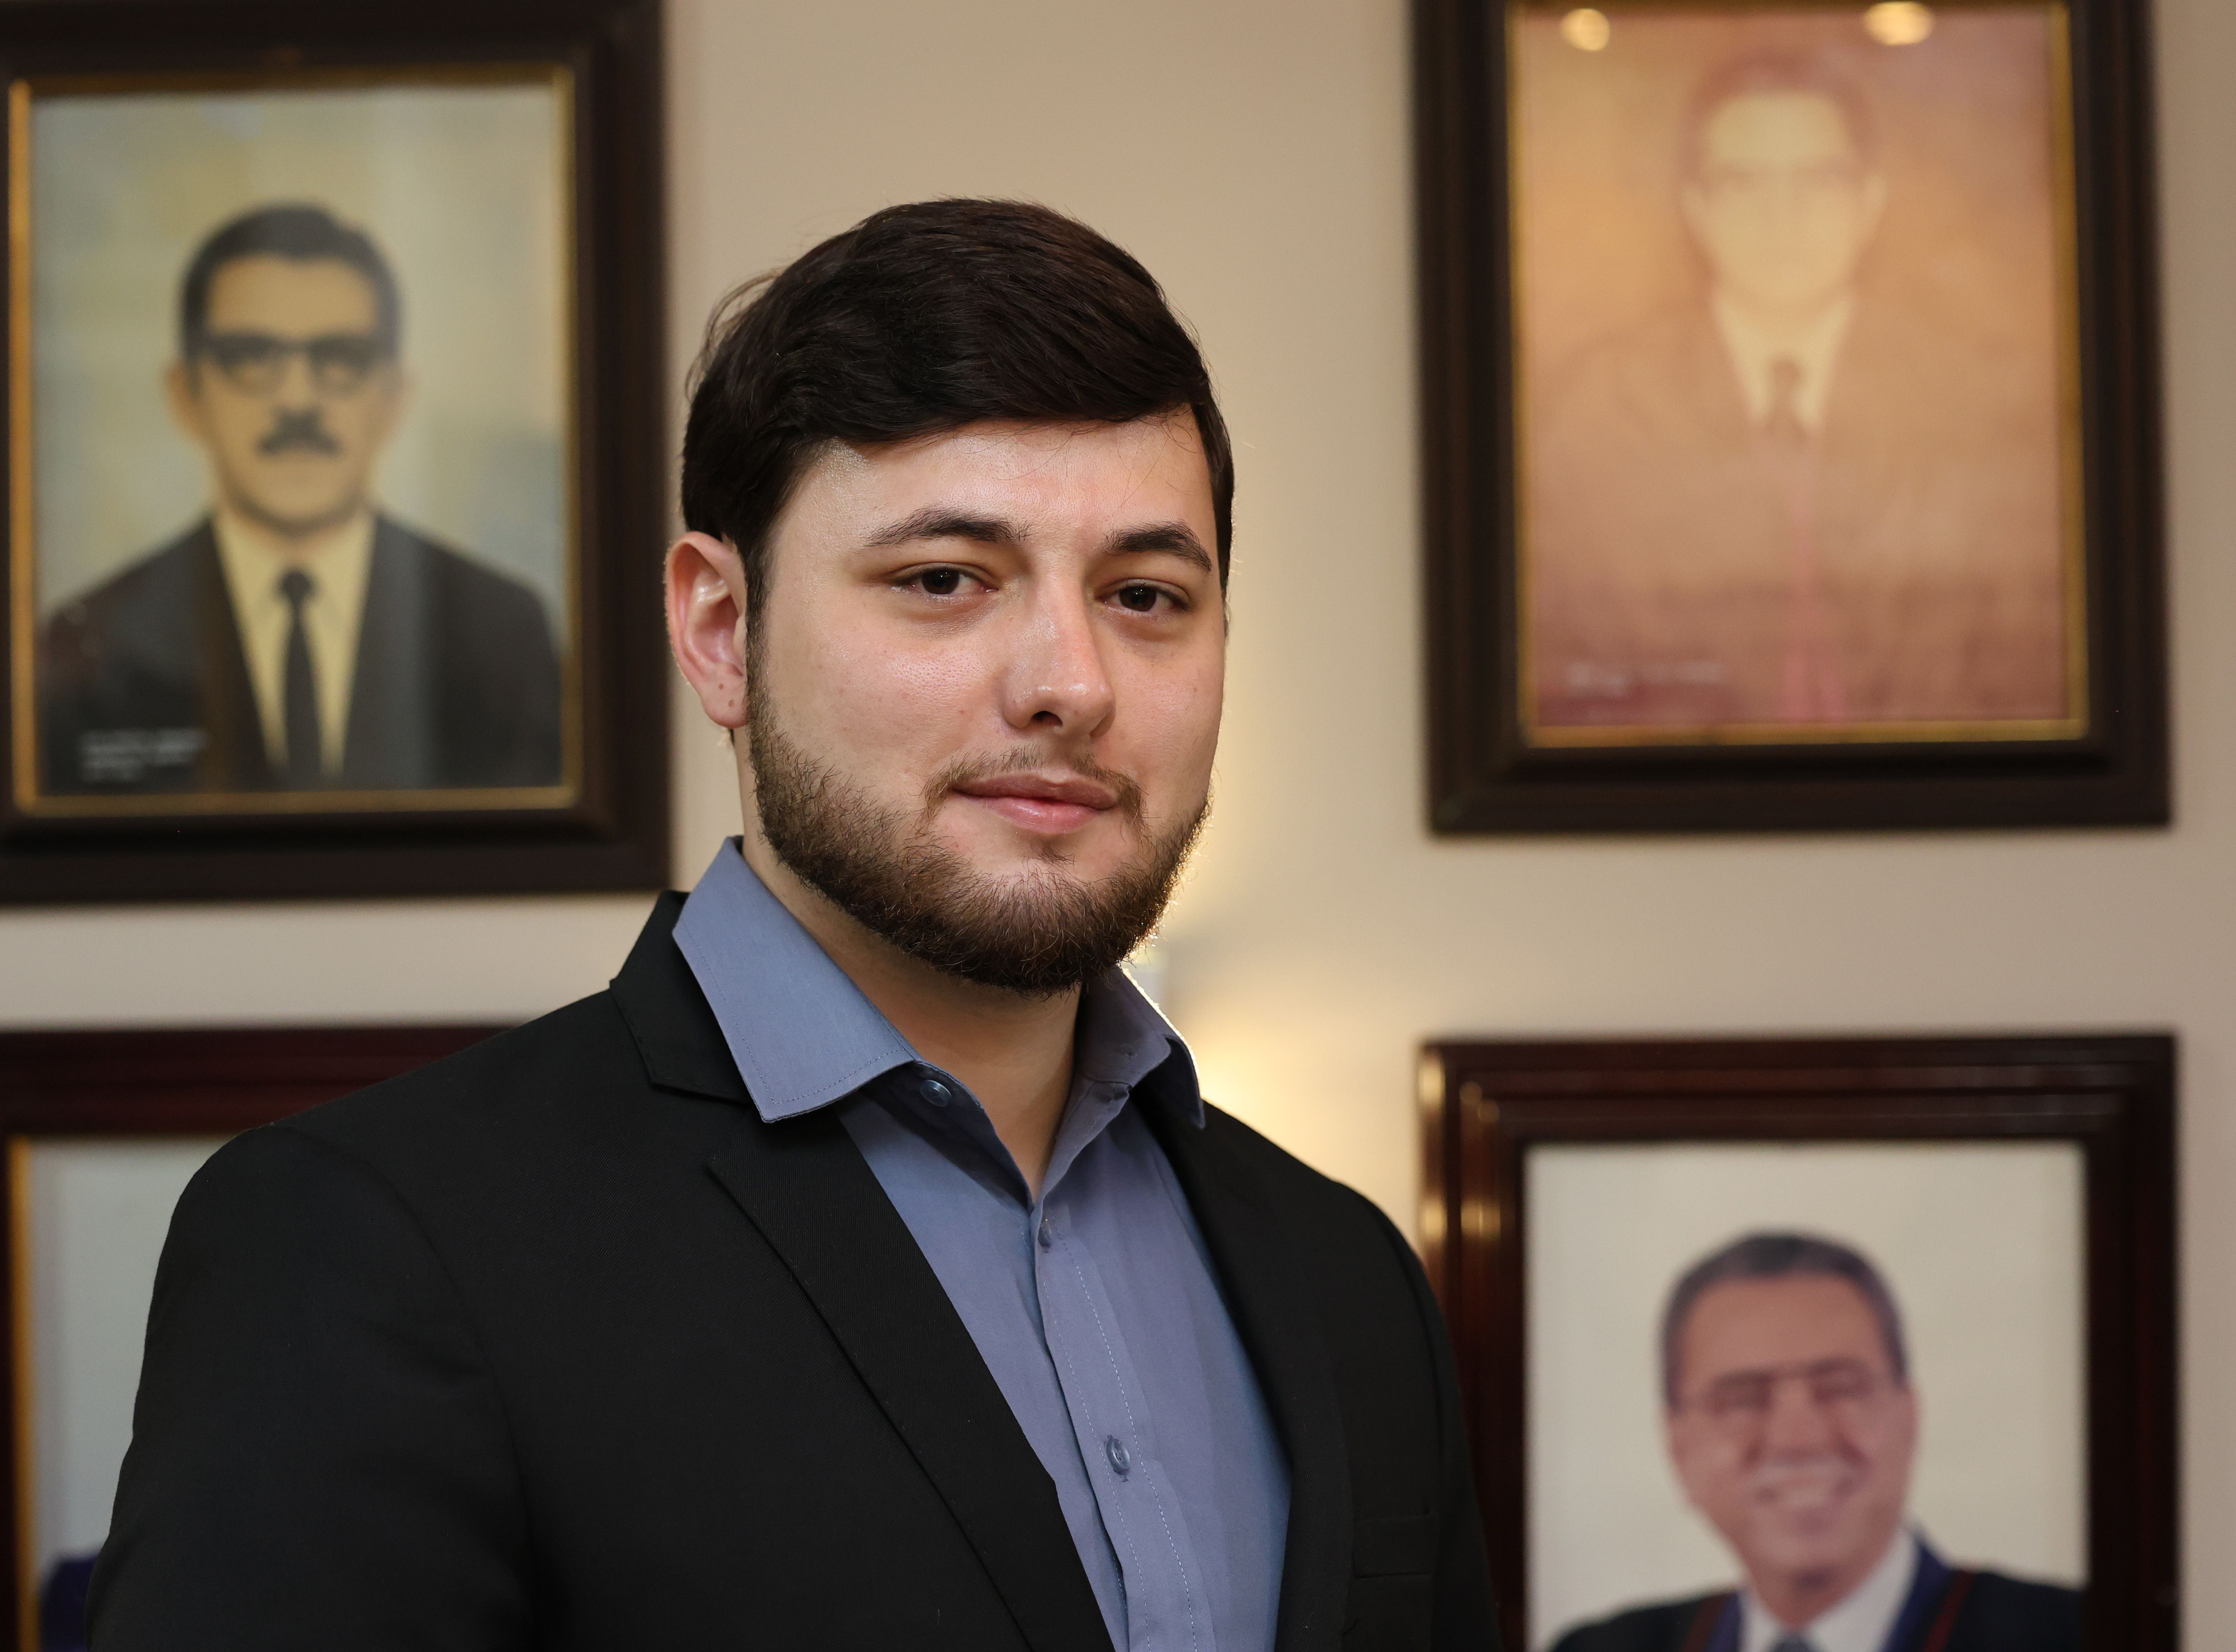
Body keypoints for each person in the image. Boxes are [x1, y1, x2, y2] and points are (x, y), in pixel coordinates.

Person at [85, 199, 1499, 1651]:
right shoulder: (373, 1246)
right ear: (719, 629)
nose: (1071, 683)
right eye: (944, 580)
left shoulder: (1349, 1277)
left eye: (1147, 596)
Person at [1526, 53, 2068, 732]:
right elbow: (1565, 674)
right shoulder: (1599, 411)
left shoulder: (1982, 405)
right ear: (1696, 208)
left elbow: (2028, 673)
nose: (1781, 219)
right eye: (1742, 184)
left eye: (1817, 181)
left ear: (1869, 203)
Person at [37, 203, 563, 796]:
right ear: (186, 394)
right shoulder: (97, 640)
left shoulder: (501, 631)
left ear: (392, 397)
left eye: (340, 358)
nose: (297, 399)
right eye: (251, 357)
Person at [1550, 1232, 2079, 1652]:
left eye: (1841, 1388)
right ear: (1678, 1448)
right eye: (1742, 1398)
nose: (1796, 1438)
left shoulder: (2083, 1636)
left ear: (1909, 1416)